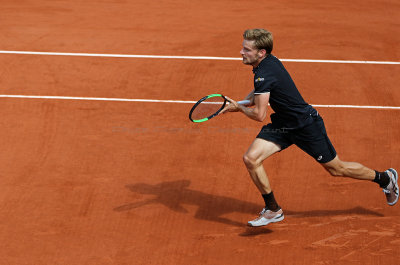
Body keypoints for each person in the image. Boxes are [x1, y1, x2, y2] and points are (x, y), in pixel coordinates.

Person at [220, 28, 399, 227]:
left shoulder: (263, 72)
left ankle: (385, 178)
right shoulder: (268, 63)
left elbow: (259, 115)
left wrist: (238, 108)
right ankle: (273, 209)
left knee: (336, 169)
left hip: (306, 126)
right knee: (251, 159)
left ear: (261, 52)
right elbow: (260, 92)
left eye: (246, 49)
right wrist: (242, 103)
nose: (241, 52)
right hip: (284, 124)